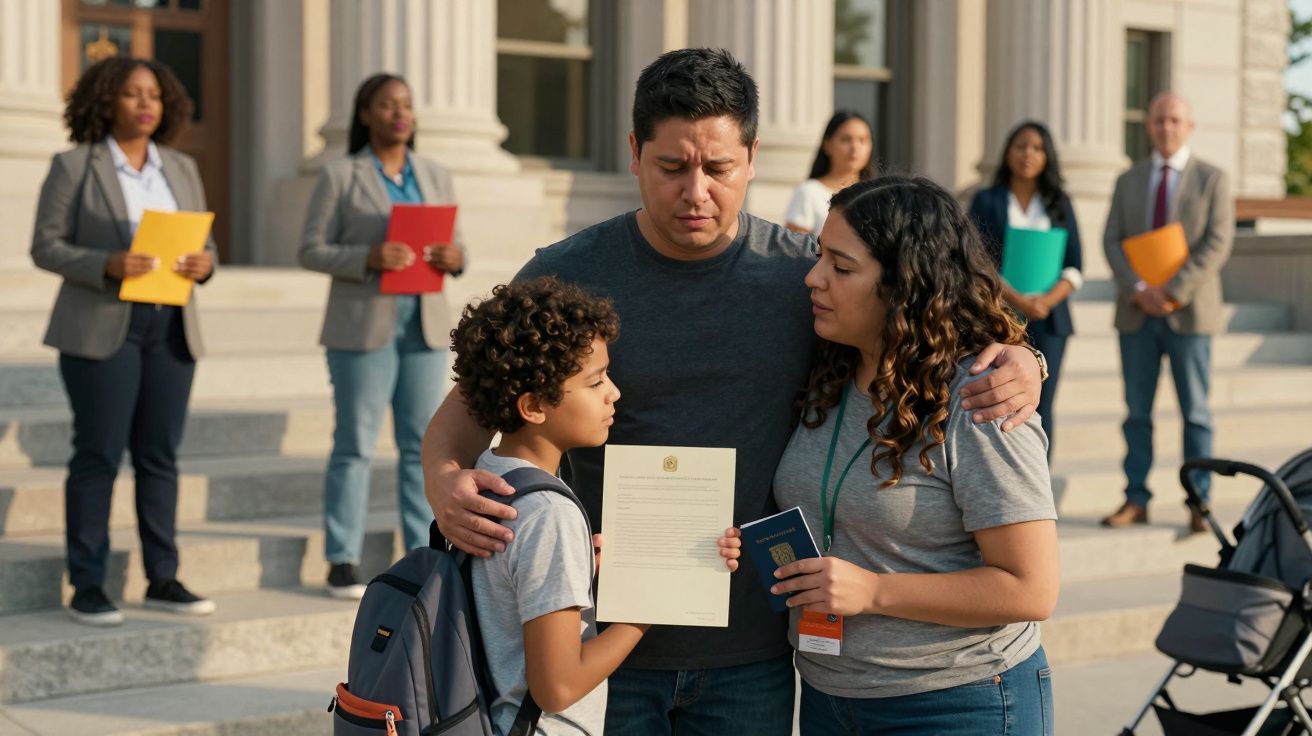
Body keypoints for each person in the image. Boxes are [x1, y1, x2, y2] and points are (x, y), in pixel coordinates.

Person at [422, 48, 1044, 735]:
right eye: (671, 167)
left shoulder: (807, 278)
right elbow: (464, 415)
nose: (696, 193)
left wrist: (1023, 361)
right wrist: (444, 481)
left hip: (754, 655)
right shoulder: (565, 274)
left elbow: (919, 317)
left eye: (718, 169)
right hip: (604, 649)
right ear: (634, 152)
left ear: (751, 156)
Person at [722, 176, 1059, 736]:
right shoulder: (829, 366)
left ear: (905, 284)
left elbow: (1031, 588)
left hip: (959, 701)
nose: (813, 277)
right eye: (819, 257)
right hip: (832, 698)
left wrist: (873, 591)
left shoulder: (981, 397)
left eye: (841, 266)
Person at [31, 57, 218, 626]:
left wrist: (203, 265)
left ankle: (162, 576)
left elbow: (205, 251)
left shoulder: (182, 167)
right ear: (107, 99)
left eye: (155, 95)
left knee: (160, 456)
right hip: (102, 325)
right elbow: (46, 245)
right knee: (98, 456)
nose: (146, 104)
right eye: (134, 94)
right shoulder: (74, 166)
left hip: (170, 326)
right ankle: (87, 582)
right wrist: (105, 261)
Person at [451, 276, 648, 736]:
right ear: (534, 405)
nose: (613, 392)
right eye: (595, 380)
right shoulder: (548, 514)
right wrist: (645, 612)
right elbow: (557, 688)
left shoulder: (489, 476)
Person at [300, 72, 466, 598]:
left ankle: (424, 551)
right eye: (388, 104)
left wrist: (453, 257)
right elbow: (311, 248)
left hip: (423, 325)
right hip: (362, 327)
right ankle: (342, 556)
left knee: (424, 444)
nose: (400, 113)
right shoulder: (341, 175)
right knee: (355, 443)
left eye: (407, 105)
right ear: (365, 113)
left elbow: (458, 249)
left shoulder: (435, 173)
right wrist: (367, 257)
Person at [1100, 92, 1234, 534]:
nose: (1166, 127)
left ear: (1189, 126)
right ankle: (1135, 498)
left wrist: (1173, 290)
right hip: (1137, 314)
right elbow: (1112, 240)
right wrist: (1140, 289)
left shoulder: (1212, 179)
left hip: (1190, 314)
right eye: (1158, 120)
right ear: (1148, 126)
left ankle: (1200, 502)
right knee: (1136, 413)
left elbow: (1217, 243)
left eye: (1175, 120)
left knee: (1195, 411)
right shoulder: (1128, 180)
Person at [969, 121, 1083, 459]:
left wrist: (1045, 302)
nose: (1028, 154)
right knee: (998, 399)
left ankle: (1038, 487)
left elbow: (1075, 266)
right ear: (1008, 153)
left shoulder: (1059, 202)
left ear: (1047, 156)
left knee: (1042, 405)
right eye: (1021, 146)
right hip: (997, 317)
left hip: (1048, 321)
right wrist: (1016, 298)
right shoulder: (987, 200)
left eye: (1036, 148)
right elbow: (974, 258)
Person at [785, 111, 877, 235]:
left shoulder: (877, 194)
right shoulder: (809, 193)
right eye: (846, 140)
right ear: (827, 144)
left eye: (862, 140)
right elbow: (795, 248)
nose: (855, 147)